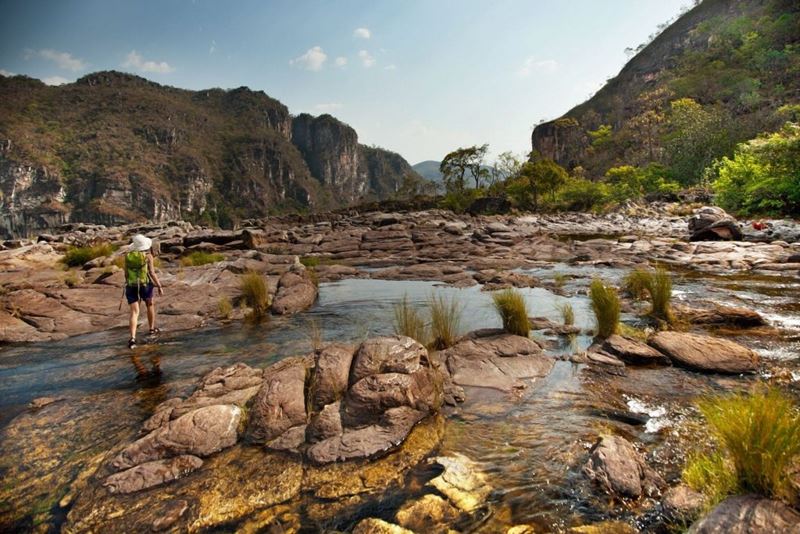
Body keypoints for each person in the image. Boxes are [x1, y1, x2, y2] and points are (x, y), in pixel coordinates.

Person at [125, 234, 164, 348]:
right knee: (149, 305)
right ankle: (151, 329)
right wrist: (159, 286)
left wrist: (130, 282)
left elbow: (126, 274)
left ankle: (132, 338)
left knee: (134, 312)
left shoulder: (128, 256)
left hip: (131, 285)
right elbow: (152, 273)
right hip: (145, 285)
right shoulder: (148, 256)